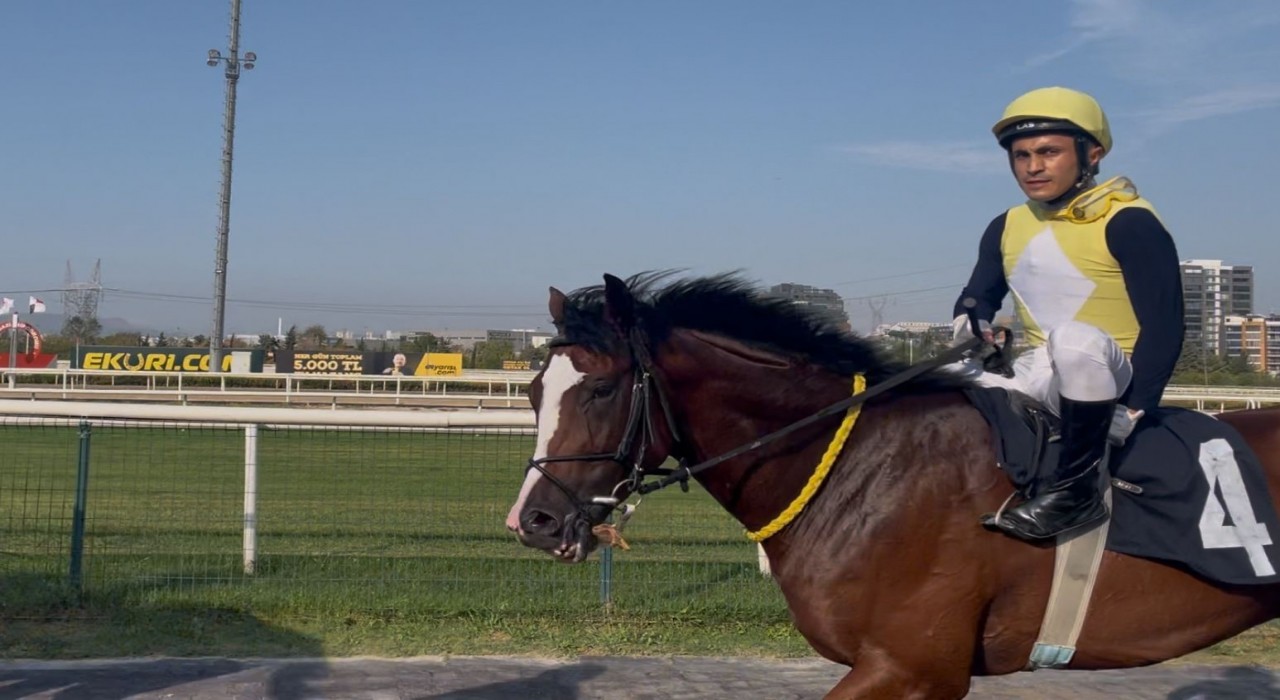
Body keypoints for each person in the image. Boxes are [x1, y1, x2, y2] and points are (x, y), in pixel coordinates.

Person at [951, 86, 1185, 541]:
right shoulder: (1006, 224)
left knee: (1074, 339)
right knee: (927, 386)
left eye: (1048, 152)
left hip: (1108, 374)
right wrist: (973, 326)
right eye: (1021, 156)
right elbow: (977, 297)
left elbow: (1166, 325)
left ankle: (1078, 493)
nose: (1032, 167)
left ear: (1092, 154)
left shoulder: (1131, 221)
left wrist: (1137, 406)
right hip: (1038, 371)